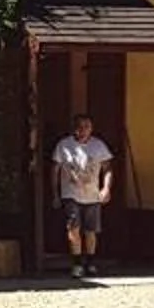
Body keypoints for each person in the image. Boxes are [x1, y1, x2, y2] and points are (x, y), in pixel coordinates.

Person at [50, 112, 114, 276]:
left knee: (91, 230)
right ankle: (77, 263)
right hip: (70, 192)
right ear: (74, 129)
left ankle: (91, 261)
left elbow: (107, 168)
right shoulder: (64, 146)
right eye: (80, 127)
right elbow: (55, 170)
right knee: (73, 227)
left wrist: (106, 188)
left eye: (87, 127)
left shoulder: (98, 146)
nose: (83, 130)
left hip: (92, 194)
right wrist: (55, 194)